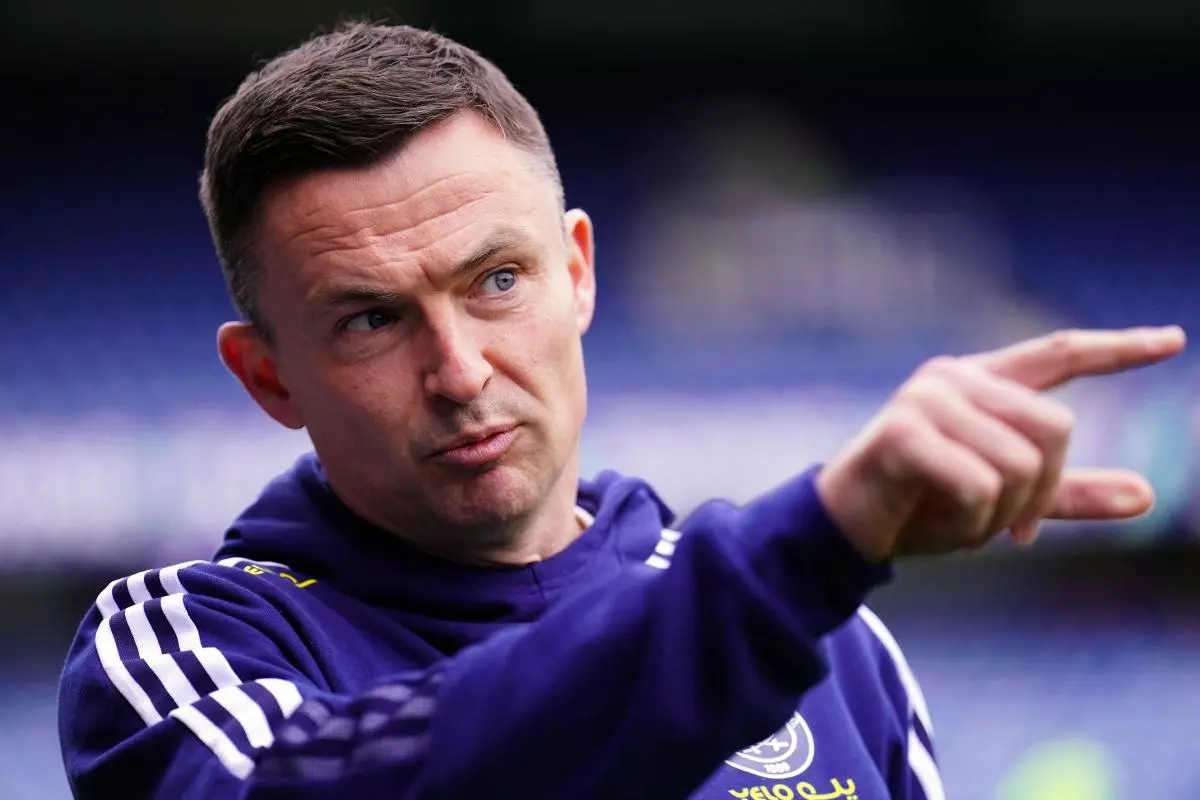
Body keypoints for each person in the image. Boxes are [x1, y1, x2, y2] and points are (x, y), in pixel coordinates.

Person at [57, 22, 1185, 800]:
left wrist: (786, 583)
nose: (459, 369)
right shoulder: (182, 649)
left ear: (579, 272)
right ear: (270, 378)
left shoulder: (840, 644)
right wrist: (795, 561)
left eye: (497, 279)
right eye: (369, 321)